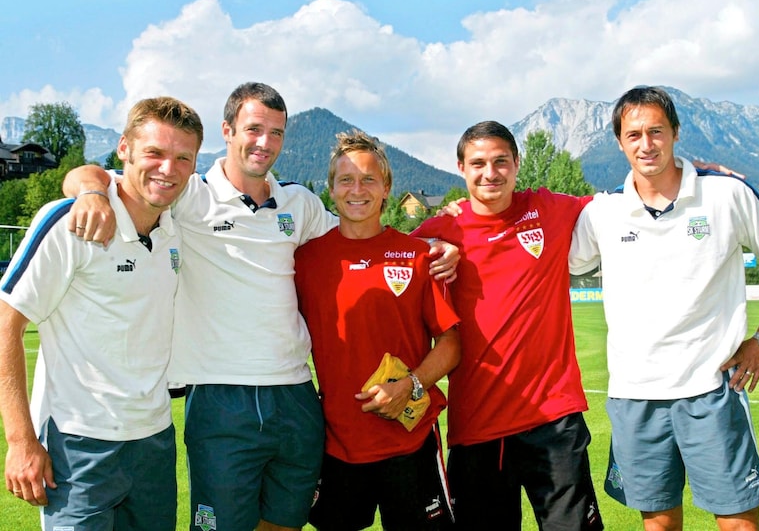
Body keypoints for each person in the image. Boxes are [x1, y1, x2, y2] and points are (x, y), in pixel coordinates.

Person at [63, 82, 458, 531]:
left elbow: (361, 232)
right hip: (219, 394)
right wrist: (91, 192)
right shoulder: (188, 193)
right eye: (254, 129)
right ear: (228, 130)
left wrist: (436, 244)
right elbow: (102, 177)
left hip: (295, 394)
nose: (264, 142)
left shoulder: (301, 204)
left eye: (276, 133)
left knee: (284, 521)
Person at [569, 85, 759, 531]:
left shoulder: (726, 194)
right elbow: (548, 256)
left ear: (675, 133)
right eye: (633, 135)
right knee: (658, 522)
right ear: (619, 142)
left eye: (656, 131)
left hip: (713, 388)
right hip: (636, 394)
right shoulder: (602, 211)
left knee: (738, 522)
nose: (646, 144)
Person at [0, 96, 203, 529]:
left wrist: (89, 184)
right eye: (155, 153)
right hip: (78, 444)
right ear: (123, 149)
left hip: (154, 440)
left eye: (183, 158)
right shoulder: (69, 222)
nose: (169, 169)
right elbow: (6, 324)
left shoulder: (176, 226)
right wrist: (19, 440)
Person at [413, 121, 604, 530]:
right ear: (461, 168)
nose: (490, 173)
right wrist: (431, 246)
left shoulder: (552, 208)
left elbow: (630, 201)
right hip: (479, 427)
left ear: (517, 164)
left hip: (554, 420)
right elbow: (380, 255)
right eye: (478, 163)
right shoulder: (438, 232)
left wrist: (709, 178)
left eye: (501, 161)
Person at [294, 129, 461, 530]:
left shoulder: (419, 255)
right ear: (331, 189)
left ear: (386, 188)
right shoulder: (305, 259)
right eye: (346, 180)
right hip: (336, 444)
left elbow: (451, 344)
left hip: (410, 439)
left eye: (369, 179)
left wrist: (411, 385)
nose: (357, 190)